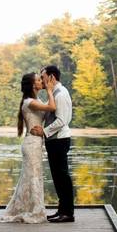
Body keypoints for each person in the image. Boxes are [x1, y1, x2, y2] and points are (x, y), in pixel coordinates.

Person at [0, 72, 57, 223]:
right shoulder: (29, 102)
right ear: (33, 85)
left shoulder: (35, 100)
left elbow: (47, 110)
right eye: (39, 80)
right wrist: (50, 90)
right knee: (32, 177)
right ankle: (35, 211)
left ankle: (30, 208)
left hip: (35, 143)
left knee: (32, 177)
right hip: (31, 144)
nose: (42, 81)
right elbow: (52, 107)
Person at [30, 65, 74, 222]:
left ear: (52, 77)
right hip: (54, 140)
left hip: (59, 140)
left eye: (43, 77)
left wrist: (44, 131)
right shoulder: (55, 93)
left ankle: (68, 213)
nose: (41, 80)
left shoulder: (60, 94)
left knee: (62, 177)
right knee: (57, 177)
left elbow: (62, 120)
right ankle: (62, 210)